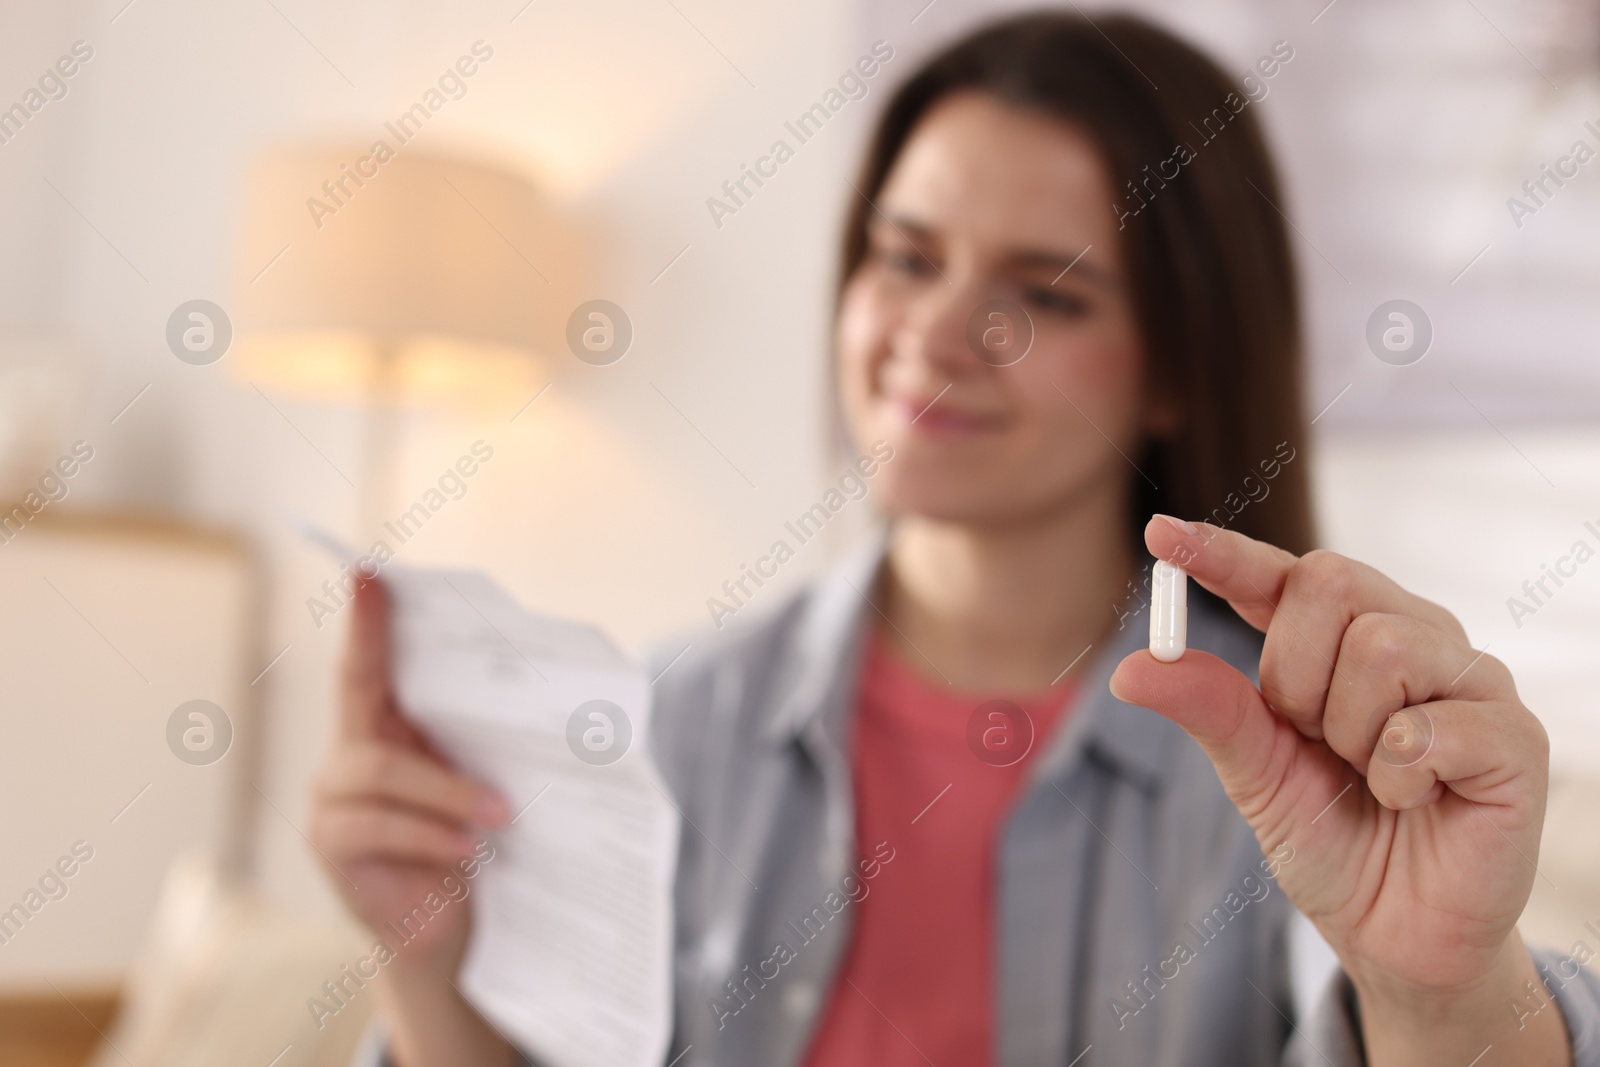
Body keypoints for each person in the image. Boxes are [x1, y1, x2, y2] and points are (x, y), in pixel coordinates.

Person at [309, 11, 1600, 1067]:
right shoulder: (667, 719)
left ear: (1178, 365)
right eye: (906, 256)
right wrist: (430, 963)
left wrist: (1443, 1001)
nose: (936, 332)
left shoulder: (1293, 762)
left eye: (1044, 290)